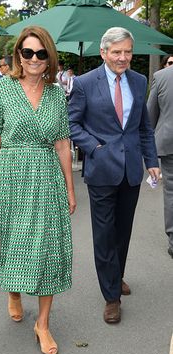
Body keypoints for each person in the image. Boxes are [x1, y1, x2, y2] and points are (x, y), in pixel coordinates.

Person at [0, 25, 76, 354]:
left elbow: (63, 144)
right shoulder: (2, 90)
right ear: (18, 56)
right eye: (28, 52)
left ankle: (42, 323)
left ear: (49, 57)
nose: (34, 59)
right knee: (13, 242)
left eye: (41, 53)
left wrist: (71, 188)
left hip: (47, 178)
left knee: (48, 249)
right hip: (9, 178)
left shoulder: (57, 94)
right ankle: (14, 290)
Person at [69, 27, 160, 324]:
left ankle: (116, 274)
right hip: (101, 170)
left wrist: (152, 160)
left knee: (123, 231)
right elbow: (72, 125)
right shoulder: (83, 83)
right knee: (105, 235)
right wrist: (94, 148)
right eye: (117, 52)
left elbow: (143, 127)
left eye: (128, 52)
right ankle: (111, 296)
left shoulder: (138, 80)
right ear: (104, 52)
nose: (123, 57)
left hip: (131, 169)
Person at [147, 61, 173, 259]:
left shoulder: (162, 77)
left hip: (169, 142)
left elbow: (150, 114)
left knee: (171, 192)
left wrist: (148, 148)